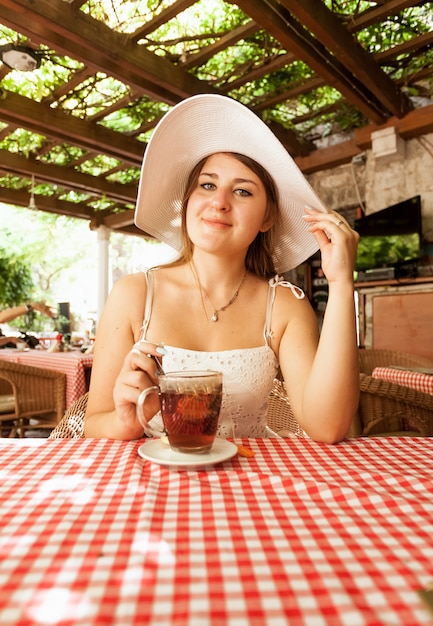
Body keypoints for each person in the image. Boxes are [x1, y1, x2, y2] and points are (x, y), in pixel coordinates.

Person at [85, 94, 360, 443]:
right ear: (188, 202)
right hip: (150, 490)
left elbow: (328, 427)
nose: (219, 202)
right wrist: (127, 421)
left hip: (253, 488)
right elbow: (93, 424)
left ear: (268, 217)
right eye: (208, 185)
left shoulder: (285, 307)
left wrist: (341, 284)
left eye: (243, 192)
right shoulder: (133, 294)